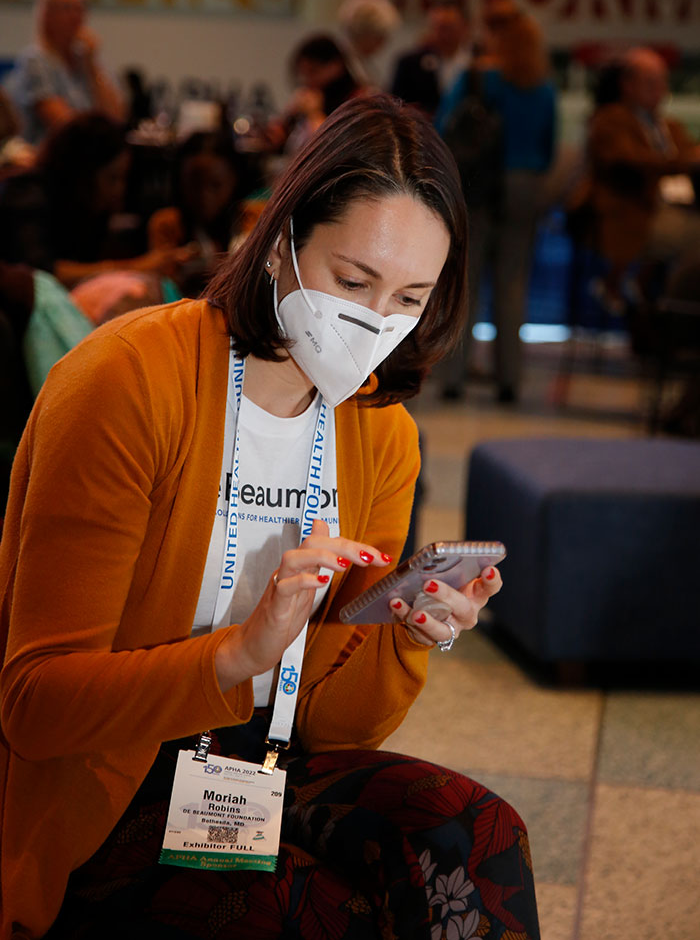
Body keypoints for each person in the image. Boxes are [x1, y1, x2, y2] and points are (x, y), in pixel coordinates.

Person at [0, 94, 540, 940]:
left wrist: (409, 633)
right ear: (281, 240)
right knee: (321, 916)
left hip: (268, 766)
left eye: (408, 298)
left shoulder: (380, 435)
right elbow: (34, 706)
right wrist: (238, 654)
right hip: (109, 777)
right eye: (353, 281)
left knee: (480, 836)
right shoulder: (128, 383)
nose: (374, 324)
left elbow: (335, 723)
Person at [436, 9, 557, 402]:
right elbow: (549, 145)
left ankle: (453, 377)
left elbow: (443, 129)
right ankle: (510, 380)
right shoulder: (543, 86)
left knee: (465, 283)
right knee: (512, 283)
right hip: (524, 185)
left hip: (477, 183)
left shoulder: (478, 78)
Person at [0, 112, 189, 290]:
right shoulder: (27, 195)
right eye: (113, 178)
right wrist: (135, 267)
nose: (119, 190)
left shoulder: (87, 209)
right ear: (83, 174)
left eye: (123, 179)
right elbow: (40, 275)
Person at [584, 47, 700, 311]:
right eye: (650, 82)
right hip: (628, 214)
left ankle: (654, 295)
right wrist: (685, 160)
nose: (659, 89)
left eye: (662, 82)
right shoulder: (610, 120)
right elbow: (631, 160)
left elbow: (685, 154)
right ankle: (668, 306)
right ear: (627, 84)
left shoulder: (667, 126)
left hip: (670, 209)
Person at [4, 0, 125, 146]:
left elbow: (116, 118)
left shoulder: (88, 59)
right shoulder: (35, 61)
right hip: (46, 164)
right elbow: (66, 128)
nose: (77, 16)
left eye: (81, 7)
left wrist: (92, 65)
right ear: (47, 15)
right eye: (67, 8)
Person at [147, 129, 255, 296]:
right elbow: (160, 287)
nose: (204, 196)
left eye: (215, 185)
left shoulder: (254, 218)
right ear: (179, 181)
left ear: (235, 181)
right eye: (194, 184)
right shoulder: (168, 224)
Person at [265, 33, 365, 155]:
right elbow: (276, 141)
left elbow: (331, 147)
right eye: (303, 74)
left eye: (313, 72)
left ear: (335, 66)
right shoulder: (312, 94)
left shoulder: (357, 99)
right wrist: (282, 125)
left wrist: (313, 114)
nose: (307, 80)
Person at [390, 0, 471, 119]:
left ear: (464, 27)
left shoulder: (476, 64)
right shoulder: (410, 63)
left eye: (448, 27)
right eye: (437, 27)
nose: (443, 34)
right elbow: (395, 106)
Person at [337, 0, 401, 86]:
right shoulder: (341, 69)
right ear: (364, 35)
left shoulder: (362, 63)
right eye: (380, 37)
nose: (384, 43)